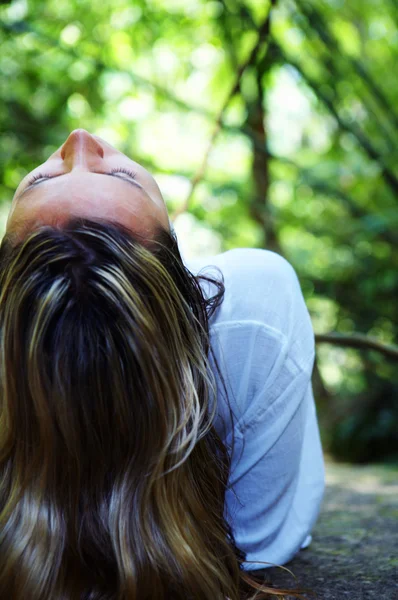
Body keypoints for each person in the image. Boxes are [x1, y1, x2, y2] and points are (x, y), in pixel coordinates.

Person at [0, 129, 325, 600]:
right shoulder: (251, 311)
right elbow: (262, 545)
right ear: (187, 286)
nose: (80, 142)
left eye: (38, 181)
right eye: (120, 174)